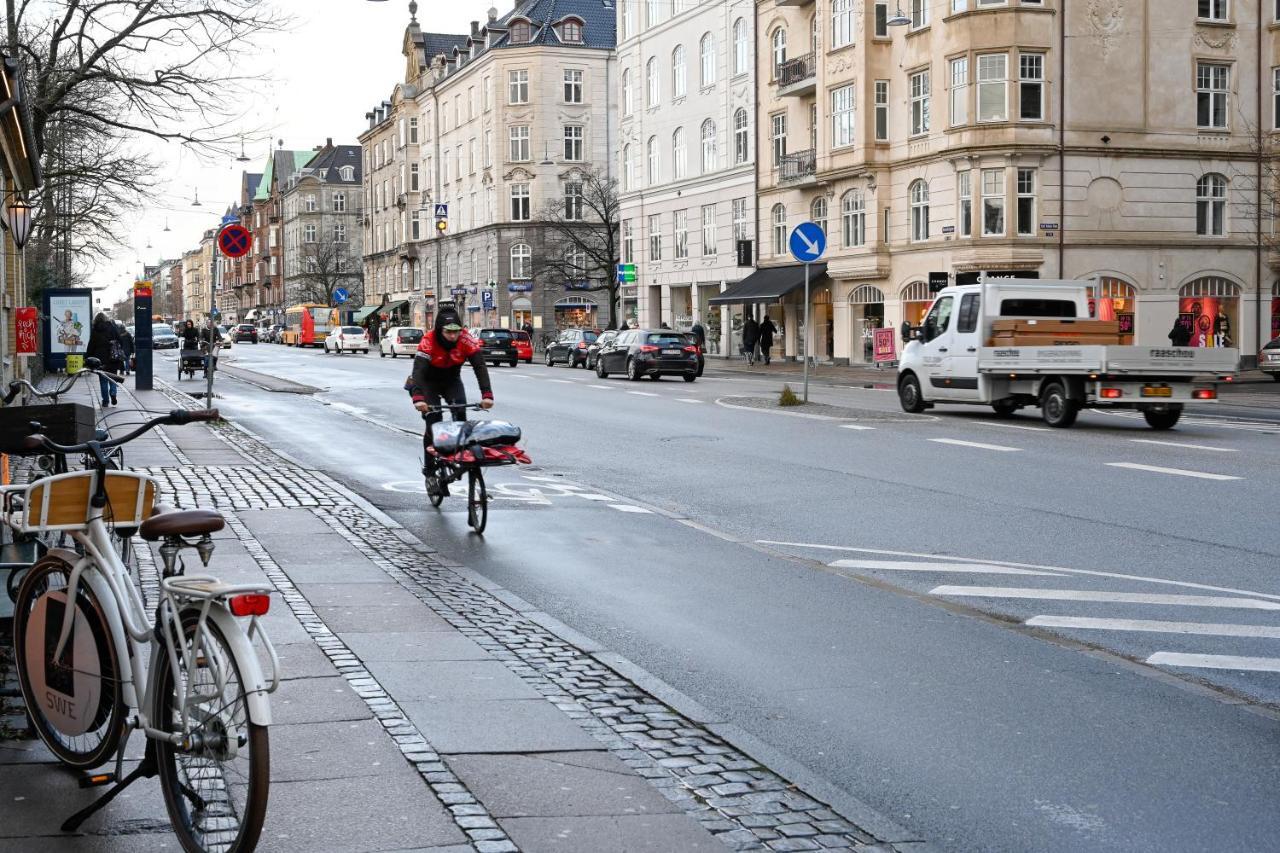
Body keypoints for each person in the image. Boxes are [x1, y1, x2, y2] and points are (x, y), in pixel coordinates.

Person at [407, 306, 494, 490]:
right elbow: (418, 372)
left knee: (460, 411)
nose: (453, 336)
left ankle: (459, 455)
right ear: (440, 330)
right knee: (434, 421)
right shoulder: (428, 340)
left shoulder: (465, 338)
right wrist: (418, 398)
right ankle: (430, 470)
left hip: (451, 380)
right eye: (448, 332)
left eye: (456, 332)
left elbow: (480, 366)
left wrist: (487, 394)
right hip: (428, 381)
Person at [86, 313, 124, 406]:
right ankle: (113, 393)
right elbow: (120, 340)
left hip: (100, 359)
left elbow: (91, 345)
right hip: (112, 357)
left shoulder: (95, 330)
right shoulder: (112, 327)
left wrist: (87, 357)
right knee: (113, 377)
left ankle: (105, 401)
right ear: (106, 319)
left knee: (103, 380)